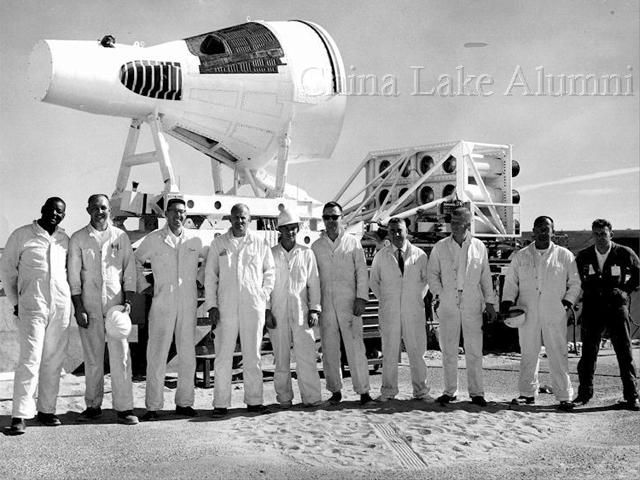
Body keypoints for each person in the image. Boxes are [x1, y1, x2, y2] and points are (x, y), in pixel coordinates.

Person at [0, 197, 71, 435]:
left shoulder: (64, 239)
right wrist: (16, 302)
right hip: (32, 305)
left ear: (64, 215)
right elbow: (7, 271)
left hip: (60, 306)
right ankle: (20, 415)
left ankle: (47, 410)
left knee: (53, 359)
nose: (55, 214)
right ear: (42, 210)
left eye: (60, 212)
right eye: (51, 210)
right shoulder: (21, 235)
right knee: (30, 359)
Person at [68, 194, 138, 425]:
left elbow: (129, 270)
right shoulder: (79, 238)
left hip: (116, 307)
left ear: (110, 210)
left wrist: (128, 299)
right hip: (89, 306)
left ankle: (125, 408)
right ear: (88, 210)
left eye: (104, 208)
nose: (101, 212)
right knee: (93, 359)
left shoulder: (120, 237)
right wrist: (79, 308)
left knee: (121, 357)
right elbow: (74, 277)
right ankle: (93, 406)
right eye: (96, 208)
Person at [134, 198, 206, 420]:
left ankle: (184, 403)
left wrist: (200, 280)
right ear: (166, 213)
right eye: (174, 211)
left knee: (187, 353)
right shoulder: (154, 239)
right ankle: (153, 406)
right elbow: (135, 261)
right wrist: (145, 286)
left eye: (183, 212)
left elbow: (210, 261)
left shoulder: (195, 240)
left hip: (188, 302)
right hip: (162, 302)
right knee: (157, 353)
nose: (179, 216)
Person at [501, 216, 581, 411]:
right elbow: (511, 281)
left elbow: (575, 283)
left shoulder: (565, 256)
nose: (543, 232)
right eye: (539, 228)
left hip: (554, 311)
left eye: (547, 229)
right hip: (528, 311)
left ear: (553, 231)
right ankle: (527, 394)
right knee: (528, 351)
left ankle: (564, 396)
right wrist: (507, 302)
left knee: (558, 352)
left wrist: (567, 303)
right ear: (533, 231)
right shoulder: (521, 255)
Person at [205, 204, 275, 416]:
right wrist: (212, 306)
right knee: (223, 355)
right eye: (236, 217)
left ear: (249, 219)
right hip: (226, 307)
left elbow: (269, 272)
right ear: (230, 219)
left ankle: (254, 401)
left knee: (252, 354)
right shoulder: (219, 244)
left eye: (243, 217)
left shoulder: (260, 242)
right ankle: (220, 404)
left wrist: (263, 296)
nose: (239, 221)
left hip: (253, 306)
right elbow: (210, 276)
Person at [427, 207, 497, 407]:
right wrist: (440, 293)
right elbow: (432, 274)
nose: (454, 226)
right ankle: (450, 391)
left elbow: (485, 276)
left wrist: (490, 303)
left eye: (459, 222)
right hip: (448, 300)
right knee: (448, 348)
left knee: (474, 348)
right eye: (452, 222)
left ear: (468, 224)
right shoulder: (440, 247)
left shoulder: (478, 247)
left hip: (472, 301)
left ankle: (476, 392)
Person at [311, 201, 375, 406]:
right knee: (329, 350)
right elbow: (312, 278)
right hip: (326, 305)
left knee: (356, 347)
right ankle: (335, 390)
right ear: (323, 219)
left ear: (341, 218)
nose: (331, 221)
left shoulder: (352, 242)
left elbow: (362, 273)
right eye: (327, 217)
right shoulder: (316, 246)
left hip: (350, 304)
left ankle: (363, 391)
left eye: (335, 217)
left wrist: (361, 298)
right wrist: (314, 305)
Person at [574, 219, 639, 410]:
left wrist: (625, 290)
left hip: (616, 307)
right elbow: (575, 277)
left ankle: (632, 396)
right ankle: (584, 394)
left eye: (603, 234)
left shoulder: (624, 252)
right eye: (596, 234)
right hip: (593, 308)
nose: (600, 238)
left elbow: (638, 272)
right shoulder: (584, 255)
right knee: (588, 353)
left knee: (624, 352)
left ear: (611, 234)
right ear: (592, 235)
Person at [266, 207, 323, 408]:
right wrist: (266, 311)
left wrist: (315, 309)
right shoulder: (270, 254)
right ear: (279, 229)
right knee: (281, 360)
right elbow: (265, 284)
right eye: (286, 228)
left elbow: (313, 283)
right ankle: (284, 398)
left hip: (302, 314)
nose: (290, 232)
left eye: (293, 228)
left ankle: (312, 397)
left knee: (306, 358)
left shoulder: (307, 254)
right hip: (277, 314)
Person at [369, 217, 430, 401]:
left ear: (406, 231)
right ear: (388, 233)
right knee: (389, 351)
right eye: (393, 230)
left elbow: (426, 282)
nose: (396, 234)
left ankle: (421, 391)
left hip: (414, 310)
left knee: (417, 351)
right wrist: (388, 300)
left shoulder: (420, 255)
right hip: (390, 311)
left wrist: (414, 299)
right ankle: (388, 391)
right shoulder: (381, 256)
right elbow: (374, 282)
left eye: (400, 230)